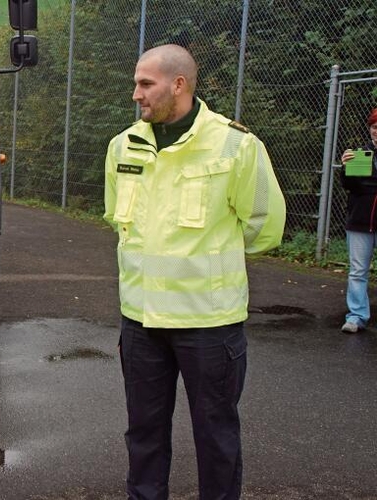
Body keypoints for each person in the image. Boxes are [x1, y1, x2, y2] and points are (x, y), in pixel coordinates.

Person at [104, 44, 286, 499]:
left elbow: (265, 226)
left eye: (146, 84)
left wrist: (210, 257)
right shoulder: (123, 146)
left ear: (178, 85)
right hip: (142, 322)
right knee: (143, 435)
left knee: (216, 437)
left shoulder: (235, 145)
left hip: (209, 324)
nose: (136, 94)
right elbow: (117, 219)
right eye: (136, 83)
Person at [339, 108, 377, 333]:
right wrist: (345, 168)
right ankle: (356, 316)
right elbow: (351, 186)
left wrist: (367, 185)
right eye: (374, 128)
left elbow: (366, 186)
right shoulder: (360, 154)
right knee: (357, 271)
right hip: (359, 222)